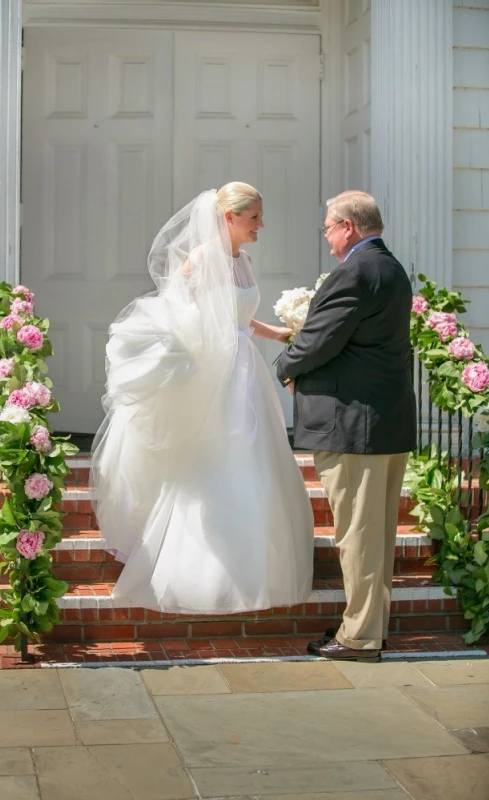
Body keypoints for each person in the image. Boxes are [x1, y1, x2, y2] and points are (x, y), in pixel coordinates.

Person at [92, 182, 314, 614]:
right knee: (214, 460)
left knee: (255, 457)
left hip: (246, 371)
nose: (260, 225)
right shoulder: (199, 261)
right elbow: (176, 316)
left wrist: (283, 333)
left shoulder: (243, 260)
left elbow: (240, 320)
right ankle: (200, 570)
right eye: (254, 217)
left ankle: (258, 562)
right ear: (228, 218)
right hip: (215, 372)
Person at [277, 190, 416, 663]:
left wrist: (285, 366)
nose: (327, 237)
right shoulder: (392, 268)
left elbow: (320, 341)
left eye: (328, 228)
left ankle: (359, 637)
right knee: (375, 535)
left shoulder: (354, 271)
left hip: (354, 426)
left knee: (356, 535)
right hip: (385, 422)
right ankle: (369, 629)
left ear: (348, 226)